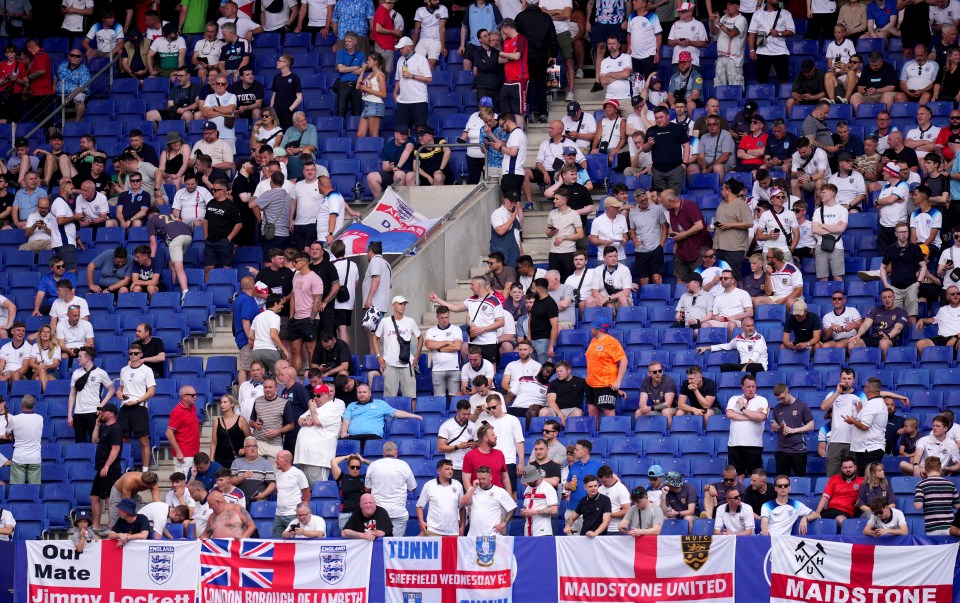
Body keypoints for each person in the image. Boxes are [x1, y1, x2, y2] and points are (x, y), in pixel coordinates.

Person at [364, 441, 416, 536]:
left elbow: (367, 489)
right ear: (396, 452)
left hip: (378, 512)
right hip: (398, 512)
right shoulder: (403, 465)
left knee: (377, 542)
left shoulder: (373, 465)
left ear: (383, 453)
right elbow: (413, 488)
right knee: (395, 543)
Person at [847, 377, 889, 474]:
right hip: (871, 447)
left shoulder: (871, 404)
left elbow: (864, 426)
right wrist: (860, 412)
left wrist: (852, 420)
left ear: (868, 389)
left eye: (865, 387)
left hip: (868, 449)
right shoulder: (880, 403)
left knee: (868, 478)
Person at [748, 0, 796, 84]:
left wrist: (779, 33)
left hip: (780, 51)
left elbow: (792, 31)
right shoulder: (757, 13)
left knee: (783, 80)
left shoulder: (786, 13)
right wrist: (752, 50)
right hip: (762, 51)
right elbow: (752, 33)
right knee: (761, 81)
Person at [813, 456, 864, 526]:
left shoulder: (861, 481)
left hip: (846, 512)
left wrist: (860, 499)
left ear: (855, 467)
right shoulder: (834, 479)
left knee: (840, 520)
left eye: (850, 467)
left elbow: (866, 496)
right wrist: (817, 512)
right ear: (841, 469)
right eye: (845, 468)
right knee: (811, 518)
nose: (848, 469)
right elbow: (825, 497)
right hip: (831, 510)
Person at [914, 457, 960, 535]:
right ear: (940, 469)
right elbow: (958, 506)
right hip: (950, 528)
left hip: (932, 529)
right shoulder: (951, 484)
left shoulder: (921, 485)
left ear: (925, 470)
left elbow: (918, 506)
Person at [272, 450, 310, 538]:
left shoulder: (298, 473)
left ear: (285, 461)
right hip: (278, 515)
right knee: (277, 541)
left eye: (278, 459)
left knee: (293, 540)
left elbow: (307, 494)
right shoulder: (278, 474)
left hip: (293, 515)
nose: (275, 461)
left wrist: (300, 510)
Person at [165, 386, 201, 475]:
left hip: (194, 452)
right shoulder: (178, 411)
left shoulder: (192, 407)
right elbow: (169, 433)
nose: (195, 397)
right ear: (184, 396)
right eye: (193, 395)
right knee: (183, 480)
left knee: (191, 479)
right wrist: (178, 452)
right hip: (184, 454)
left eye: (196, 395)